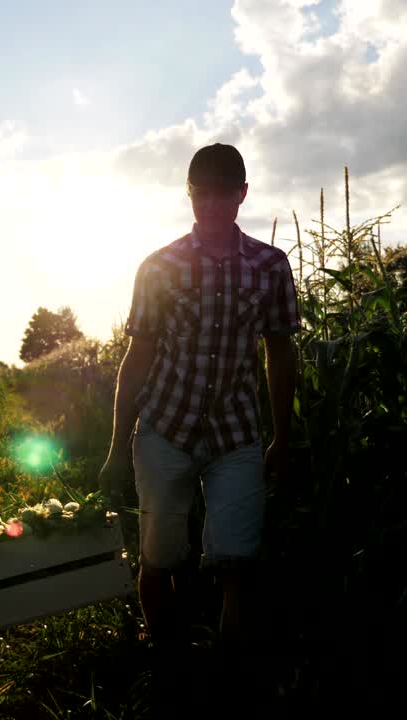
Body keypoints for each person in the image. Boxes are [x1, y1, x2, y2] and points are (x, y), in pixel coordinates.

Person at [97, 143, 300, 708]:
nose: (211, 204)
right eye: (200, 193)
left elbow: (280, 353)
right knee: (159, 558)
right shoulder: (159, 266)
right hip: (166, 429)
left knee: (239, 563)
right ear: (189, 194)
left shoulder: (269, 265)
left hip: (236, 434)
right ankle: (171, 667)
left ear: (242, 194)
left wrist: (282, 436)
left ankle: (229, 682)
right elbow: (138, 357)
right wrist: (117, 447)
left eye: (223, 193)